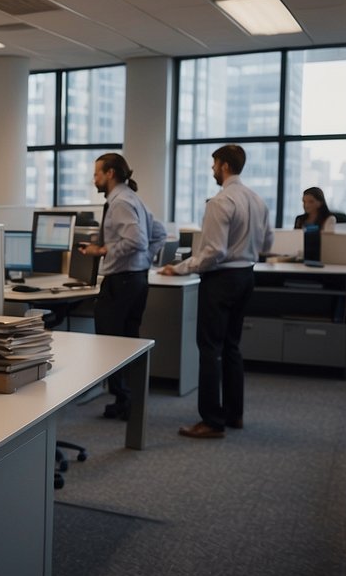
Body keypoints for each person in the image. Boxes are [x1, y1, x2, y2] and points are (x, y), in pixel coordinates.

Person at [161, 144, 273, 439]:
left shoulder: (220, 201)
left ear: (223, 165)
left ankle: (211, 421)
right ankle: (234, 414)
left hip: (221, 280)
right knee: (232, 347)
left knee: (210, 349)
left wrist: (180, 268)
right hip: (246, 276)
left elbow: (213, 252)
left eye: (213, 165)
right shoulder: (258, 201)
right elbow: (267, 246)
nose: (212, 170)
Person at [76, 153, 166, 420]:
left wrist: (103, 249)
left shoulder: (120, 203)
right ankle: (128, 400)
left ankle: (124, 400)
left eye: (97, 174)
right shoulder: (132, 199)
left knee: (110, 344)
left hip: (122, 280)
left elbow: (137, 240)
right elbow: (158, 234)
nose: (94, 179)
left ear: (111, 173)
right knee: (127, 341)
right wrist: (145, 261)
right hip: (136, 279)